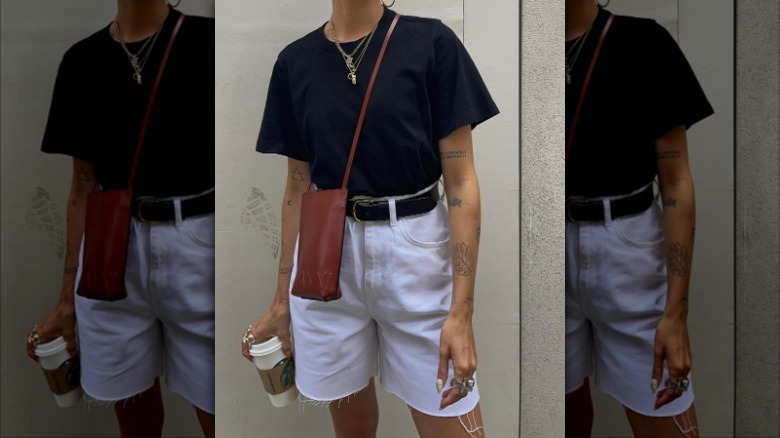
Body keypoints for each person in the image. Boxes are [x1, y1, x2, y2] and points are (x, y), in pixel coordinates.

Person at [240, 0, 498, 436]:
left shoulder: (431, 43)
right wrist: (281, 299)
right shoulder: (295, 62)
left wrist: (461, 312)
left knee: (453, 416)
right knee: (352, 427)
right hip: (325, 259)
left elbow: (460, 180)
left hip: (417, 250)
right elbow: (296, 187)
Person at [25, 1, 215, 436]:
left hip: (198, 241)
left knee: (212, 403)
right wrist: (65, 299)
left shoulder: (205, 42)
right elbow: (81, 186)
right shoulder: (81, 60)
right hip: (110, 248)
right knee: (132, 412)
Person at [564, 0, 714, 436]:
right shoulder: (526, 52)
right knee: (561, 412)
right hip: (549, 247)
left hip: (629, 242)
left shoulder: (644, 41)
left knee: (664, 409)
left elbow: (675, 180)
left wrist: (676, 311)